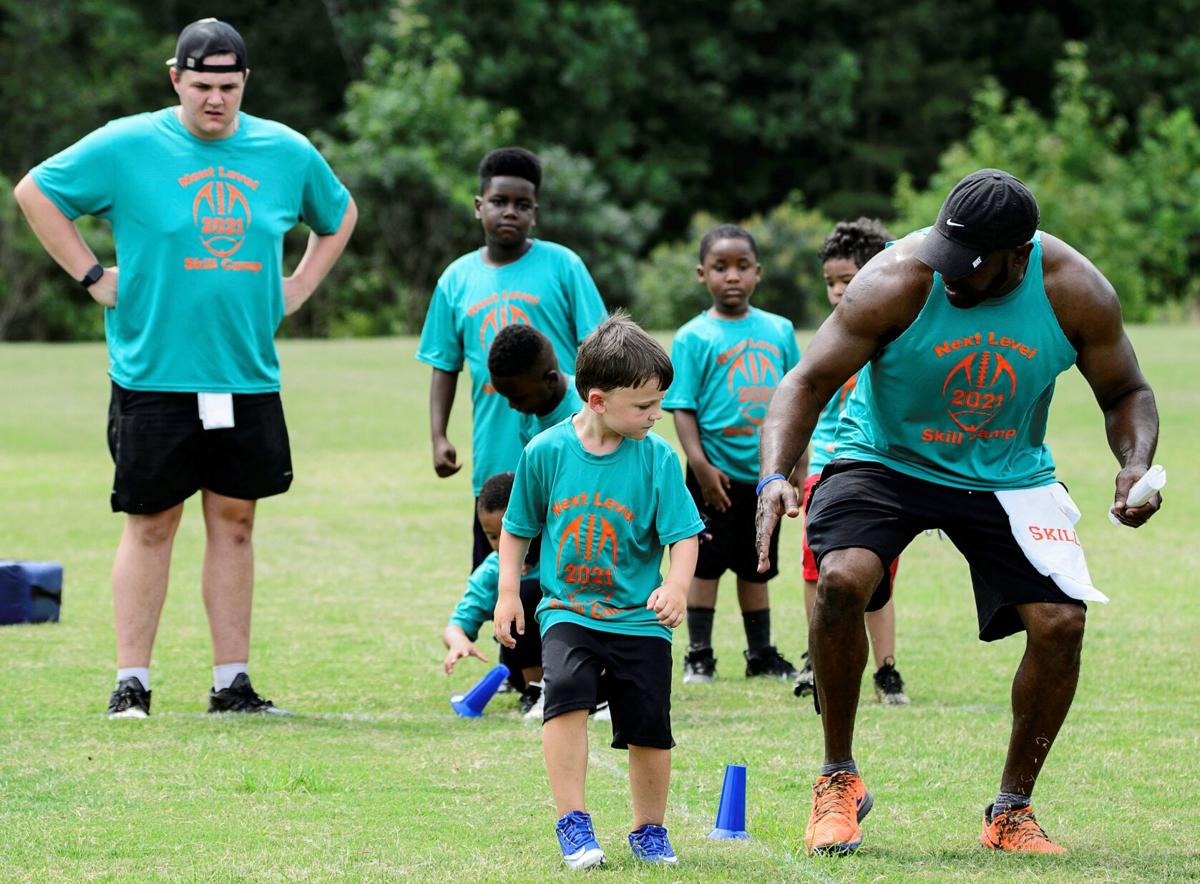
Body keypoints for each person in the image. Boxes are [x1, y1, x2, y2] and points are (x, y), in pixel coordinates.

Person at [755, 169, 1159, 856]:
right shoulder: (897, 280)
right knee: (844, 580)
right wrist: (772, 476)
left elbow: (1127, 391)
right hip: (885, 458)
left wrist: (1135, 460)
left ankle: (1010, 811)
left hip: (1008, 471)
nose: (952, 281)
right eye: (947, 260)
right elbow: (808, 381)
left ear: (1019, 256)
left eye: (970, 271)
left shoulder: (1074, 291)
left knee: (1061, 623)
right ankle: (837, 779)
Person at [13, 18, 357, 719]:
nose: (215, 100)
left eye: (228, 87)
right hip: (153, 374)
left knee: (235, 522)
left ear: (244, 84)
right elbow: (34, 191)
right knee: (151, 522)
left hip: (245, 372)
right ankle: (131, 684)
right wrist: (89, 275)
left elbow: (339, 213)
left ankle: (232, 684)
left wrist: (300, 286)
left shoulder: (283, 150)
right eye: (201, 85)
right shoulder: (128, 144)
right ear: (176, 79)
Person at [495, 313, 703, 868]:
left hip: (638, 617)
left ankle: (649, 831)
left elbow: (683, 536)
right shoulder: (545, 452)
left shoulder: (658, 458)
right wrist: (509, 593)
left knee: (650, 727)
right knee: (563, 694)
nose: (655, 416)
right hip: (568, 610)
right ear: (596, 399)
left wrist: (678, 586)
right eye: (643, 406)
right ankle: (574, 823)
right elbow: (518, 528)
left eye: (660, 403)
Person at [416, 147, 607, 571]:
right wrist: (438, 435)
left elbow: (600, 347)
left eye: (522, 205)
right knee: (499, 575)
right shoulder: (456, 279)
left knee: (565, 568)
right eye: (499, 202)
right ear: (479, 206)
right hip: (495, 453)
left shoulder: (563, 265)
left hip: (566, 448)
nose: (510, 212)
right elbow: (445, 365)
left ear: (535, 212)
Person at [663, 224, 800, 684]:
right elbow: (681, 407)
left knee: (756, 563)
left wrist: (795, 465)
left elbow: (796, 398)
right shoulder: (693, 337)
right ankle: (698, 655)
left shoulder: (779, 330)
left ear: (758, 273)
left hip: (765, 474)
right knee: (704, 564)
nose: (732, 276)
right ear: (703, 274)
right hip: (712, 475)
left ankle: (760, 654)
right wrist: (700, 467)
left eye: (742, 266)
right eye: (721, 268)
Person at [793, 219, 908, 705]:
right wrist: (796, 469)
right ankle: (818, 659)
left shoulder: (895, 338)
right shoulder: (829, 337)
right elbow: (804, 401)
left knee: (878, 578)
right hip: (826, 467)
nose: (838, 291)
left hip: (883, 470)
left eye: (849, 279)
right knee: (817, 571)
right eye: (831, 282)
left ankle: (886, 670)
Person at [442, 472, 545, 717]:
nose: (502, 543)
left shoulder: (556, 554)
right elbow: (455, 626)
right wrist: (458, 642)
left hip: (570, 656)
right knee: (526, 592)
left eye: (510, 532)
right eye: (492, 536)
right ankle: (536, 691)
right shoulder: (490, 572)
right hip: (519, 666)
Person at [487, 323, 584, 446]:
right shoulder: (528, 418)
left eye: (519, 398)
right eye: (508, 397)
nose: (511, 405)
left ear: (550, 380)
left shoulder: (585, 411)